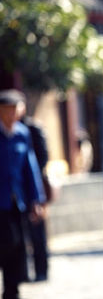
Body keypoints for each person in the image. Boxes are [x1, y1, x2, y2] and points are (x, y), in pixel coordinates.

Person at [0, 89, 45, 299]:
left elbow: (30, 167)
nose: (10, 115)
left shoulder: (22, 133)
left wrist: (36, 199)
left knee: (17, 246)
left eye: (14, 110)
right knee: (6, 244)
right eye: (6, 110)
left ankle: (11, 293)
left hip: (17, 199)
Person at [16, 98, 51, 283]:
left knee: (38, 233)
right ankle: (22, 274)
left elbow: (43, 158)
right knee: (19, 236)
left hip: (34, 187)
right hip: (15, 191)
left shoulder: (32, 128)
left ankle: (42, 271)